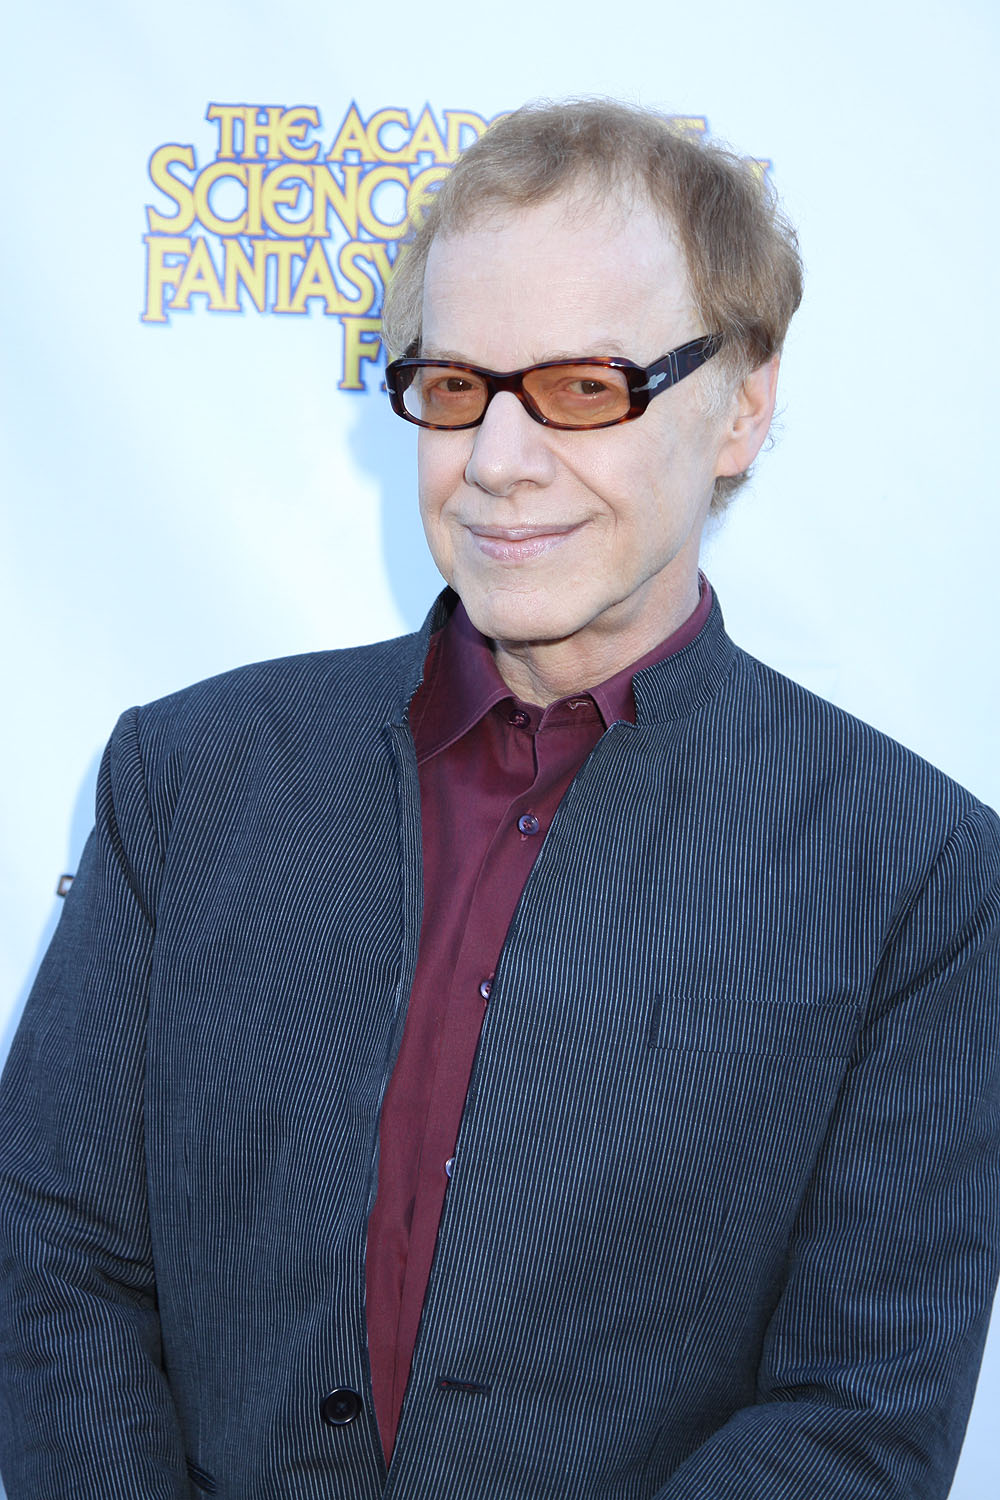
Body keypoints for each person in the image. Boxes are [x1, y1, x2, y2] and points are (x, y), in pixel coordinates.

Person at [1, 98, 998, 1500]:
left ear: (743, 405)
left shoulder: (921, 877)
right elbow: (52, 1252)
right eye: (458, 385)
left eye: (586, 387)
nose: (498, 459)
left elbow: (857, 1417)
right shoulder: (190, 773)